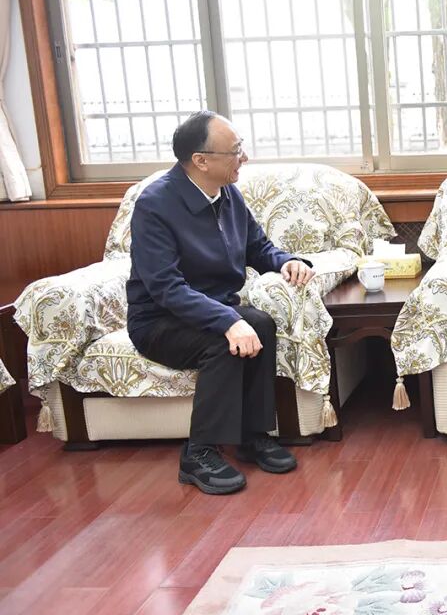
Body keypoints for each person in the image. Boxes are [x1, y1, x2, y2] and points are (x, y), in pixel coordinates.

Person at [127, 111, 315, 494]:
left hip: (213, 311)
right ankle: (198, 453)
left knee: (260, 323)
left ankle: (252, 436)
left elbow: (257, 247)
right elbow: (165, 288)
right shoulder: (155, 204)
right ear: (201, 160)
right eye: (236, 151)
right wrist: (227, 321)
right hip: (160, 320)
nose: (244, 158)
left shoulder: (227, 193)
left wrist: (286, 262)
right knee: (222, 342)